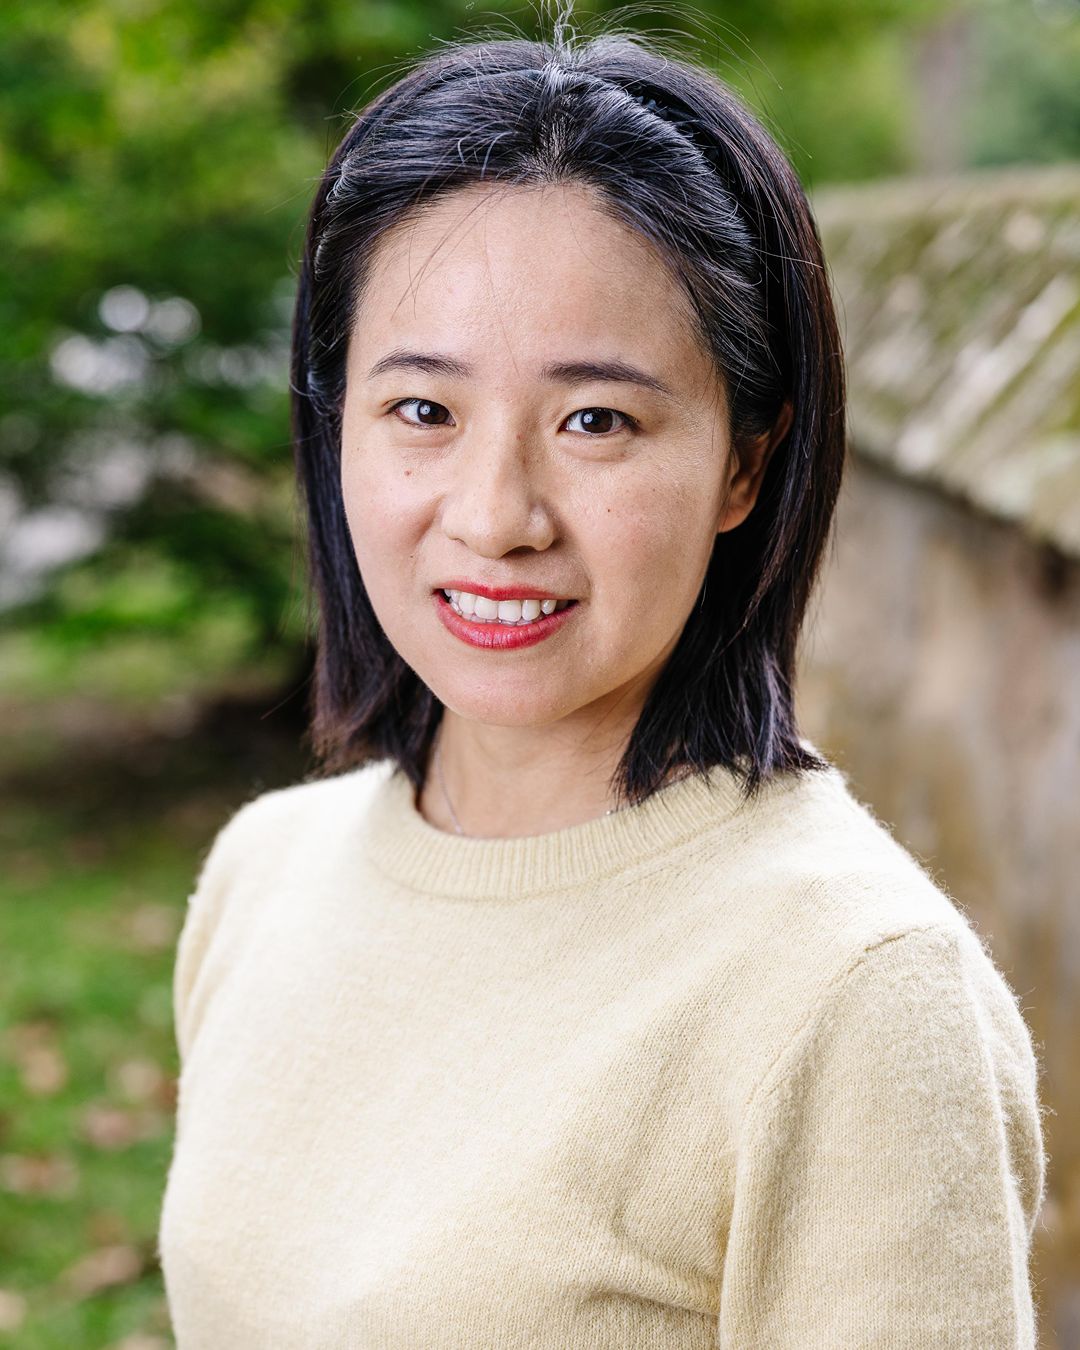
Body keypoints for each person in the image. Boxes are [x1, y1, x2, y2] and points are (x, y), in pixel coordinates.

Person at [157, 14, 1047, 1348]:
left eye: (596, 419)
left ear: (746, 463)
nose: (494, 514)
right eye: (422, 410)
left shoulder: (858, 993)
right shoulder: (263, 873)